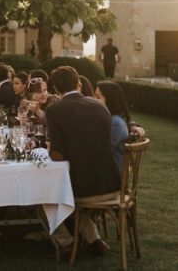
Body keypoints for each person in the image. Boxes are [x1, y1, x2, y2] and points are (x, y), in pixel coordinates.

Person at [45, 66, 120, 257]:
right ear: (78, 83)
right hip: (113, 182)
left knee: (45, 192)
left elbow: (57, 154)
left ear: (55, 88)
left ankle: (67, 242)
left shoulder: (55, 109)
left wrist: (45, 152)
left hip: (86, 189)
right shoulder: (99, 106)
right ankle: (94, 239)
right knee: (65, 187)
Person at [95, 81, 140, 173]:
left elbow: (102, 151)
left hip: (111, 174)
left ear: (110, 99)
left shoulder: (116, 123)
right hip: (107, 170)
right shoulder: (111, 119)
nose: (94, 100)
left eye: (98, 97)